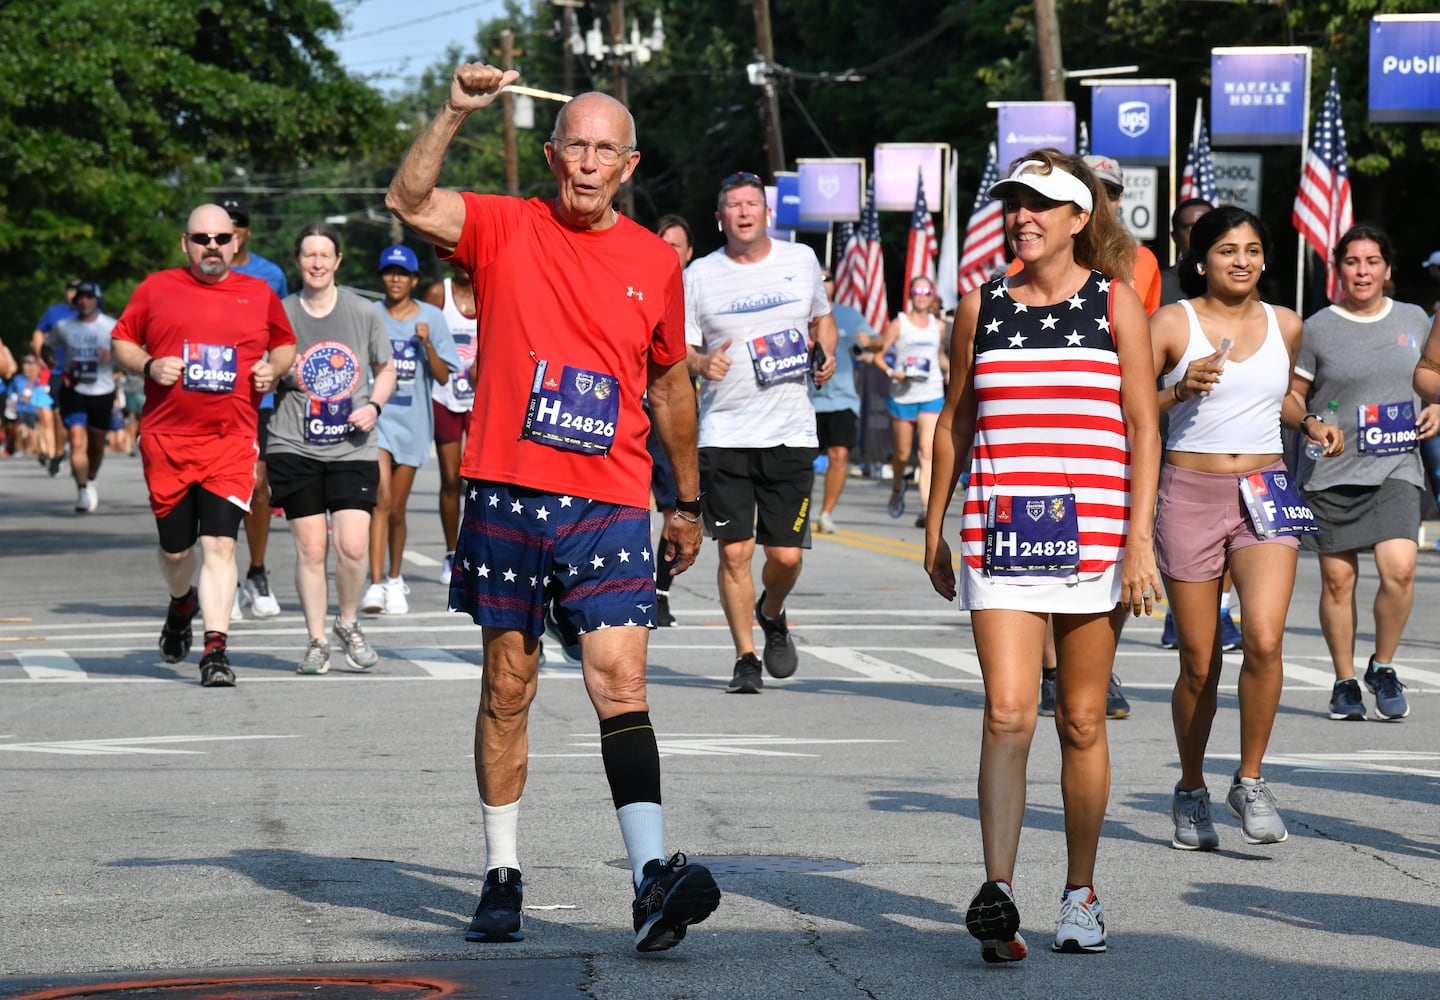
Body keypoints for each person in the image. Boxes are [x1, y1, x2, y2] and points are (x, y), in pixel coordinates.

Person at [385, 63, 720, 952]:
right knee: (509, 687)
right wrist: (455, 110)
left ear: (628, 164)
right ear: (551, 152)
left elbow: (671, 384)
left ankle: (650, 880)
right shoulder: (504, 225)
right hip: (506, 488)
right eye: (574, 144)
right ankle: (502, 874)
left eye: (604, 150)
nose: (586, 162)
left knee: (623, 681)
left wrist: (687, 502)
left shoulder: (655, 259)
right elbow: (409, 199)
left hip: (609, 494)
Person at [923, 150, 1160, 960]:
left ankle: (1081, 894)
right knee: (1007, 712)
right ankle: (999, 895)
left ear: (1077, 218)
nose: (1022, 216)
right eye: (1014, 202)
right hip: (1001, 536)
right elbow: (955, 419)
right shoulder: (978, 306)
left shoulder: (1116, 303)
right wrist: (933, 523)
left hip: (1093, 540)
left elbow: (1143, 427)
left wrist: (1138, 543)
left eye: (1040, 204)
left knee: (1084, 720)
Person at [1150, 205, 1341, 851]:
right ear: (1202, 259)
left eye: (1253, 250)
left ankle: (1251, 780)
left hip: (1264, 490)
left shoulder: (1285, 323)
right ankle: (1191, 788)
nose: (1242, 261)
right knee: (1200, 663)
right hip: (1189, 490)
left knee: (1263, 640)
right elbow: (1128, 407)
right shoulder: (1172, 322)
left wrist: (1309, 423)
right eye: (1228, 250)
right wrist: (1178, 391)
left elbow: (1281, 394)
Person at [110, 203, 296, 687]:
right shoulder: (156, 289)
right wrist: (149, 366)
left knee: (218, 544)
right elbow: (122, 342)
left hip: (231, 440)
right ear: (185, 243)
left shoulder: (258, 293)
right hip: (167, 440)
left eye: (220, 238)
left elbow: (285, 345)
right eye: (201, 239)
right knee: (176, 553)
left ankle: (215, 650)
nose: (211, 247)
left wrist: (273, 369)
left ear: (235, 242)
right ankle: (181, 604)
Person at [685, 170, 838, 694]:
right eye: (734, 205)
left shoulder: (800, 260)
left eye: (752, 203)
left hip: (790, 429)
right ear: (720, 217)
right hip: (724, 430)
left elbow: (823, 319)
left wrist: (828, 352)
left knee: (786, 557)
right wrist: (702, 363)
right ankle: (745, 656)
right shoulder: (701, 274)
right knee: (733, 552)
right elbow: (682, 350)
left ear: (766, 213)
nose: (744, 212)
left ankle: (771, 611)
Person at [1292, 225, 1435, 722]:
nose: (1363, 271)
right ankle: (1345, 680)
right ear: (1339, 269)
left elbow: (1434, 376)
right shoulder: (1316, 327)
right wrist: (1310, 424)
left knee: (1400, 569)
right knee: (1337, 582)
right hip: (1334, 470)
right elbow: (1292, 395)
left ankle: (1383, 665)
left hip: (1397, 463)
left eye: (1372, 262)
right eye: (1352, 262)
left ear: (1388, 270)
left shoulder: (1416, 319)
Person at [267, 222, 396, 675]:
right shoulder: (280, 312)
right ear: (298, 261)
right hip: (293, 444)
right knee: (311, 548)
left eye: (325, 255)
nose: (317, 263)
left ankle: (348, 622)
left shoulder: (363, 312)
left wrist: (375, 406)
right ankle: (317, 640)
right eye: (309, 255)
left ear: (338, 261)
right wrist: (283, 370)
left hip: (352, 444)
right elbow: (263, 369)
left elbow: (385, 368)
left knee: (354, 547)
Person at [1156, 198, 1243, 654]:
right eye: (1189, 227)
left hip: (1242, 459)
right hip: (1170, 443)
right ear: (1178, 238)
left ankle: (1223, 610)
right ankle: (1179, 610)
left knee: (1233, 538)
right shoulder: (1162, 290)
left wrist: (1307, 419)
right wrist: (1179, 390)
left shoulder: (1268, 314)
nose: (1197, 233)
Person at [360, 244, 461, 616]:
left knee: (397, 509)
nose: (395, 279)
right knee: (380, 500)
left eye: (402, 274)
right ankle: (373, 584)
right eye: (389, 272)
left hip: (414, 424)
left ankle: (394, 579)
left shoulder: (431, 318)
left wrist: (426, 344)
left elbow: (444, 375)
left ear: (415, 280)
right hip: (377, 421)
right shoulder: (369, 314)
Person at [222, 198, 291, 619]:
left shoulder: (270, 275)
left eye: (237, 225)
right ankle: (222, 574)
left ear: (246, 232)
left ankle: (257, 572)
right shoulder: (200, 276)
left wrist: (277, 370)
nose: (229, 233)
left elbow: (283, 334)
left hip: (259, 395)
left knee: (258, 484)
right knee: (219, 486)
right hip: (212, 395)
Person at [874, 275, 948, 527]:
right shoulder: (899, 323)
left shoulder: (938, 326)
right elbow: (879, 357)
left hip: (931, 392)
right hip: (903, 394)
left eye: (927, 291)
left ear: (932, 297)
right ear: (911, 294)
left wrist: (953, 370)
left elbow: (939, 357)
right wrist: (891, 372)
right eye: (917, 290)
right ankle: (897, 487)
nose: (921, 295)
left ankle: (926, 509)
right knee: (903, 454)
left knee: (927, 451)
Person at [810, 265, 877, 533]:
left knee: (839, 456)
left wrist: (870, 342)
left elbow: (877, 342)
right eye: (819, 279)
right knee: (800, 461)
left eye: (828, 279)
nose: (824, 283)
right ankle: (797, 511)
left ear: (835, 285)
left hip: (841, 400)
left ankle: (826, 513)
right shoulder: (801, 312)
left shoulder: (848, 315)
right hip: (805, 400)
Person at [424, 265, 478, 587]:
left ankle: (476, 552)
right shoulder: (437, 294)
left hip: (480, 398)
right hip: (444, 395)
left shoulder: (490, 290)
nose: (464, 264)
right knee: (449, 478)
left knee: (477, 479)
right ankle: (450, 552)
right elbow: (422, 338)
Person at [45, 281, 115, 513]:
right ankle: (83, 489)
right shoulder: (63, 326)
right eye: (80, 298)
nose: (84, 301)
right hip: (73, 388)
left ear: (97, 300)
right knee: (76, 440)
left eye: (88, 297)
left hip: (102, 390)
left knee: (96, 444)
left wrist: (112, 357)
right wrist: (49, 359)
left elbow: (129, 353)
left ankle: (91, 477)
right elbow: (47, 346)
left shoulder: (111, 327)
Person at [1083, 156, 1161, 315]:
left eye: (1110, 191)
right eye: (1093, 191)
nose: (1102, 200)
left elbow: (1149, 329)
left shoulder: (1144, 259)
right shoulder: (1047, 252)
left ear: (1120, 198)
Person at [31, 276, 82, 475]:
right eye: (70, 290)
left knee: (82, 420)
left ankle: (76, 451)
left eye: (78, 291)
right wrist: (41, 354)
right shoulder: (54, 312)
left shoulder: (89, 311)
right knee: (60, 415)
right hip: (59, 371)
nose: (74, 294)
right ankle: (60, 453)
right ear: (66, 292)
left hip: (85, 373)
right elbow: (38, 333)